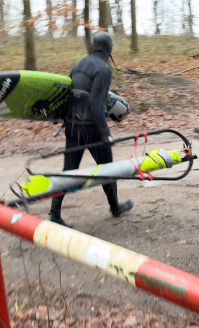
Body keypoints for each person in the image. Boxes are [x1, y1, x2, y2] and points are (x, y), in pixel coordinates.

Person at [52, 31, 134, 228]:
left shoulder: (78, 65)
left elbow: (71, 97)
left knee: (68, 172)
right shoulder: (104, 70)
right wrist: (106, 133)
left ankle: (54, 213)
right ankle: (115, 208)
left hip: (72, 127)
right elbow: (97, 104)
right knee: (107, 170)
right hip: (92, 131)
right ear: (109, 49)